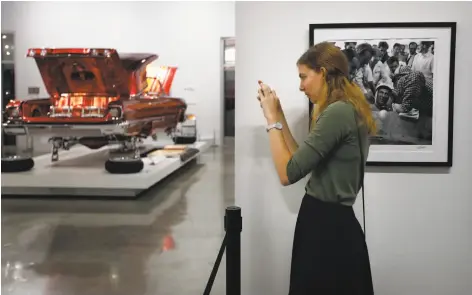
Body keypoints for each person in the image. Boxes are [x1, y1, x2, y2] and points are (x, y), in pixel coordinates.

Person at [256, 41, 375, 295]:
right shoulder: (345, 109)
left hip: (325, 227)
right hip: (332, 224)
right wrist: (279, 116)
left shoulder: (338, 113)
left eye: (303, 77)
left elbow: (287, 173)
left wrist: (270, 122)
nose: (300, 86)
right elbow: (301, 159)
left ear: (322, 72)